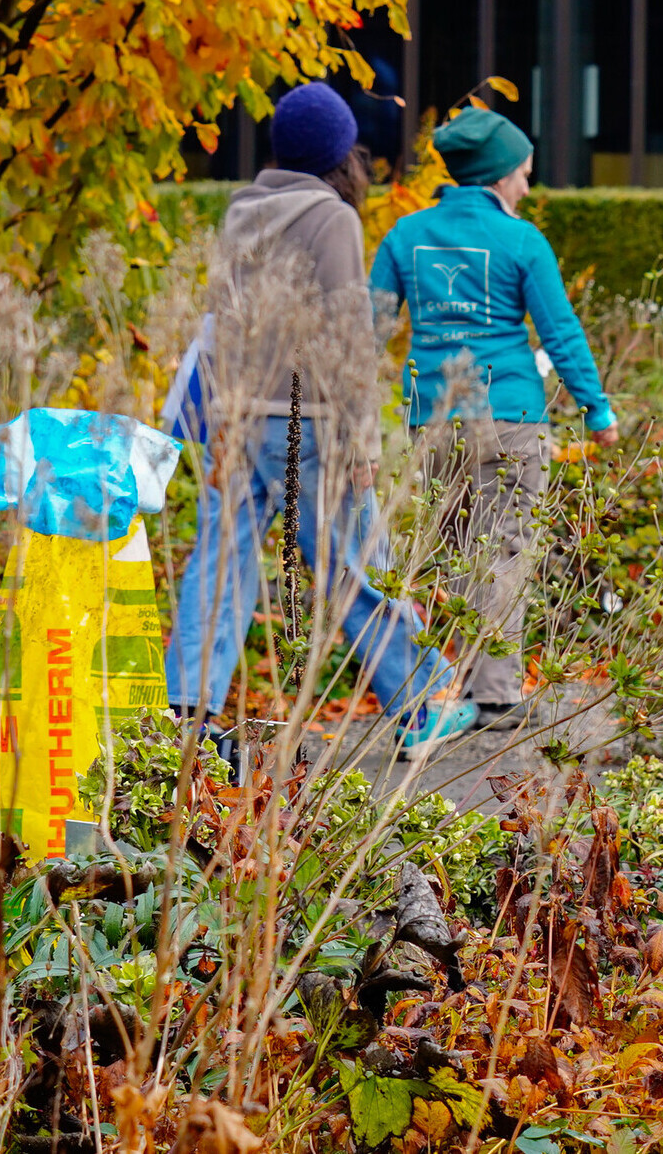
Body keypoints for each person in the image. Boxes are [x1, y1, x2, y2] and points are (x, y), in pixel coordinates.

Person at [167, 83, 475, 756]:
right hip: (307, 421)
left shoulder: (242, 211)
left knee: (221, 562)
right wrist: (364, 440)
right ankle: (422, 699)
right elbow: (346, 336)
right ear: (341, 154)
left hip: (235, 412)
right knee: (351, 563)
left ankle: (188, 711)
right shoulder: (333, 218)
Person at [369, 108, 621, 753]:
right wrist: (598, 409)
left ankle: (451, 679)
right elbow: (559, 332)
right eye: (524, 173)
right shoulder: (521, 242)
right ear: (500, 175)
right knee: (504, 546)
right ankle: (497, 694)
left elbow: (367, 331)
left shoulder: (404, 235)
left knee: (453, 552)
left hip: (431, 418)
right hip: (509, 415)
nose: (528, 186)